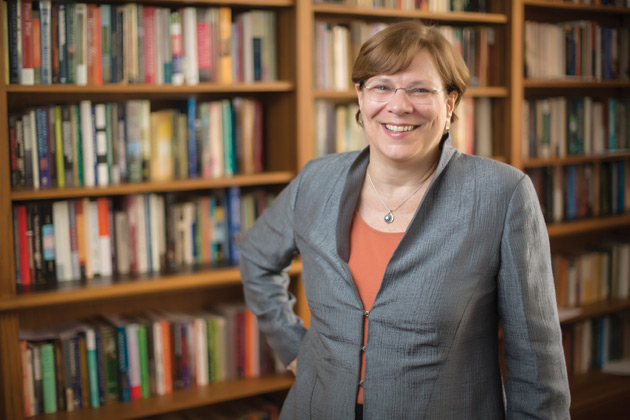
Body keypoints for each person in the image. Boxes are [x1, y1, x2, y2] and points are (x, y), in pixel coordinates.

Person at [238, 20, 571, 420]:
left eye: (420, 89)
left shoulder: (501, 194)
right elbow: (257, 258)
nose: (399, 105)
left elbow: (536, 364)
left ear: (449, 103)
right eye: (381, 86)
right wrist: (292, 346)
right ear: (360, 97)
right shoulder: (316, 179)